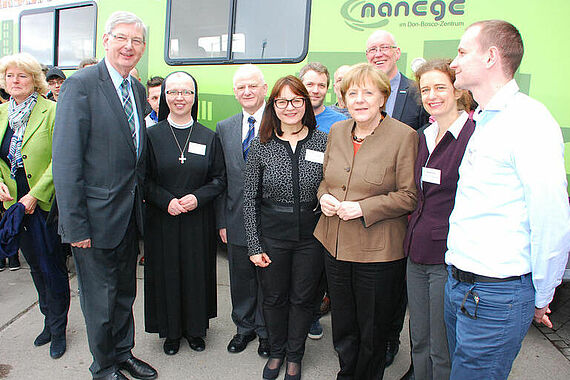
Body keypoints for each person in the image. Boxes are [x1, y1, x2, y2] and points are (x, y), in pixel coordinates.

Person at [444, 20, 570, 380]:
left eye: (463, 52)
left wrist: (543, 294)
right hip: (462, 287)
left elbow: (551, 216)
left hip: (494, 296)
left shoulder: (528, 121)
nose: (454, 61)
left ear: (491, 57)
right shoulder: (484, 119)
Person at [52, 11, 157, 380]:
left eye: (137, 41)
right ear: (106, 41)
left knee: (125, 292)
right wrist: (74, 225)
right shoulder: (81, 85)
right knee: (99, 300)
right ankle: (104, 366)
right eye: (122, 38)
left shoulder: (136, 89)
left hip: (128, 215)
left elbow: (134, 155)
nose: (129, 46)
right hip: (92, 221)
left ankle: (124, 353)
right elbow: (66, 162)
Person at [314, 62, 418, 380]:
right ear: (343, 99)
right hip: (335, 246)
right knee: (344, 325)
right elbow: (326, 180)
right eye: (352, 93)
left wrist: (363, 209)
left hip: (378, 253)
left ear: (383, 98)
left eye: (368, 93)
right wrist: (323, 198)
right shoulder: (337, 131)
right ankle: (347, 373)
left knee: (373, 330)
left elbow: (409, 196)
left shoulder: (404, 137)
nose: (359, 99)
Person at [243, 75, 327, 380]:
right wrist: (254, 245)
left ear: (305, 103)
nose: (289, 107)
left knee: (303, 299)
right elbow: (248, 198)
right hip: (272, 237)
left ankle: (295, 355)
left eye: (296, 100)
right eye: (282, 101)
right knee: (274, 298)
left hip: (312, 238)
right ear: (273, 106)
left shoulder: (323, 141)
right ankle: (276, 352)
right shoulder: (261, 146)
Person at [402, 59, 475, 380]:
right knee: (418, 334)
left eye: (440, 87)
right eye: (425, 89)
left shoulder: (474, 136)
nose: (432, 95)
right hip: (415, 250)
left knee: (441, 342)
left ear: (458, 91)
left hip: (448, 255)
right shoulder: (423, 135)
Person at [144, 71, 225, 355]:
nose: (180, 98)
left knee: (195, 273)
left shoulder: (208, 136)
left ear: (195, 97)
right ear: (165, 96)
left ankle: (195, 330)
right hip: (162, 218)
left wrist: (196, 197)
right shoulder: (150, 136)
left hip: (197, 219)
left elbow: (218, 179)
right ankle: (171, 332)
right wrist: (166, 200)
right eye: (173, 92)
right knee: (167, 273)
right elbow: (143, 179)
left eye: (186, 92)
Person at [366, 30, 429, 373]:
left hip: (404, 204)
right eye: (372, 49)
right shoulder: (362, 94)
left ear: (397, 52)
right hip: (366, 203)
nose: (378, 53)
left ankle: (391, 339)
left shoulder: (417, 91)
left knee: (397, 282)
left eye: (384, 48)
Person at [0, 52, 70, 358]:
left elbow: (61, 160)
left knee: (51, 267)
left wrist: (35, 194)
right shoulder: (2, 114)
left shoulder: (51, 111)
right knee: (34, 269)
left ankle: (59, 328)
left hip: (42, 204)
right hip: (13, 205)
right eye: (9, 76)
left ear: (34, 80)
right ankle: (47, 319)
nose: (15, 81)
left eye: (22, 76)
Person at [216, 64, 270, 357]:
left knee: (267, 277)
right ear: (235, 92)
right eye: (241, 87)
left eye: (253, 86)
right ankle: (244, 328)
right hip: (235, 217)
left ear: (264, 88)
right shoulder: (224, 127)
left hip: (270, 219)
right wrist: (221, 221)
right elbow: (220, 179)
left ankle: (265, 331)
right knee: (241, 277)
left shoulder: (278, 123)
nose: (247, 92)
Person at [299, 62, 347, 134]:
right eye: (310, 84)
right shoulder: (291, 118)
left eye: (321, 85)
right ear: (300, 86)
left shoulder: (340, 121)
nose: (316, 90)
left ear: (327, 89)